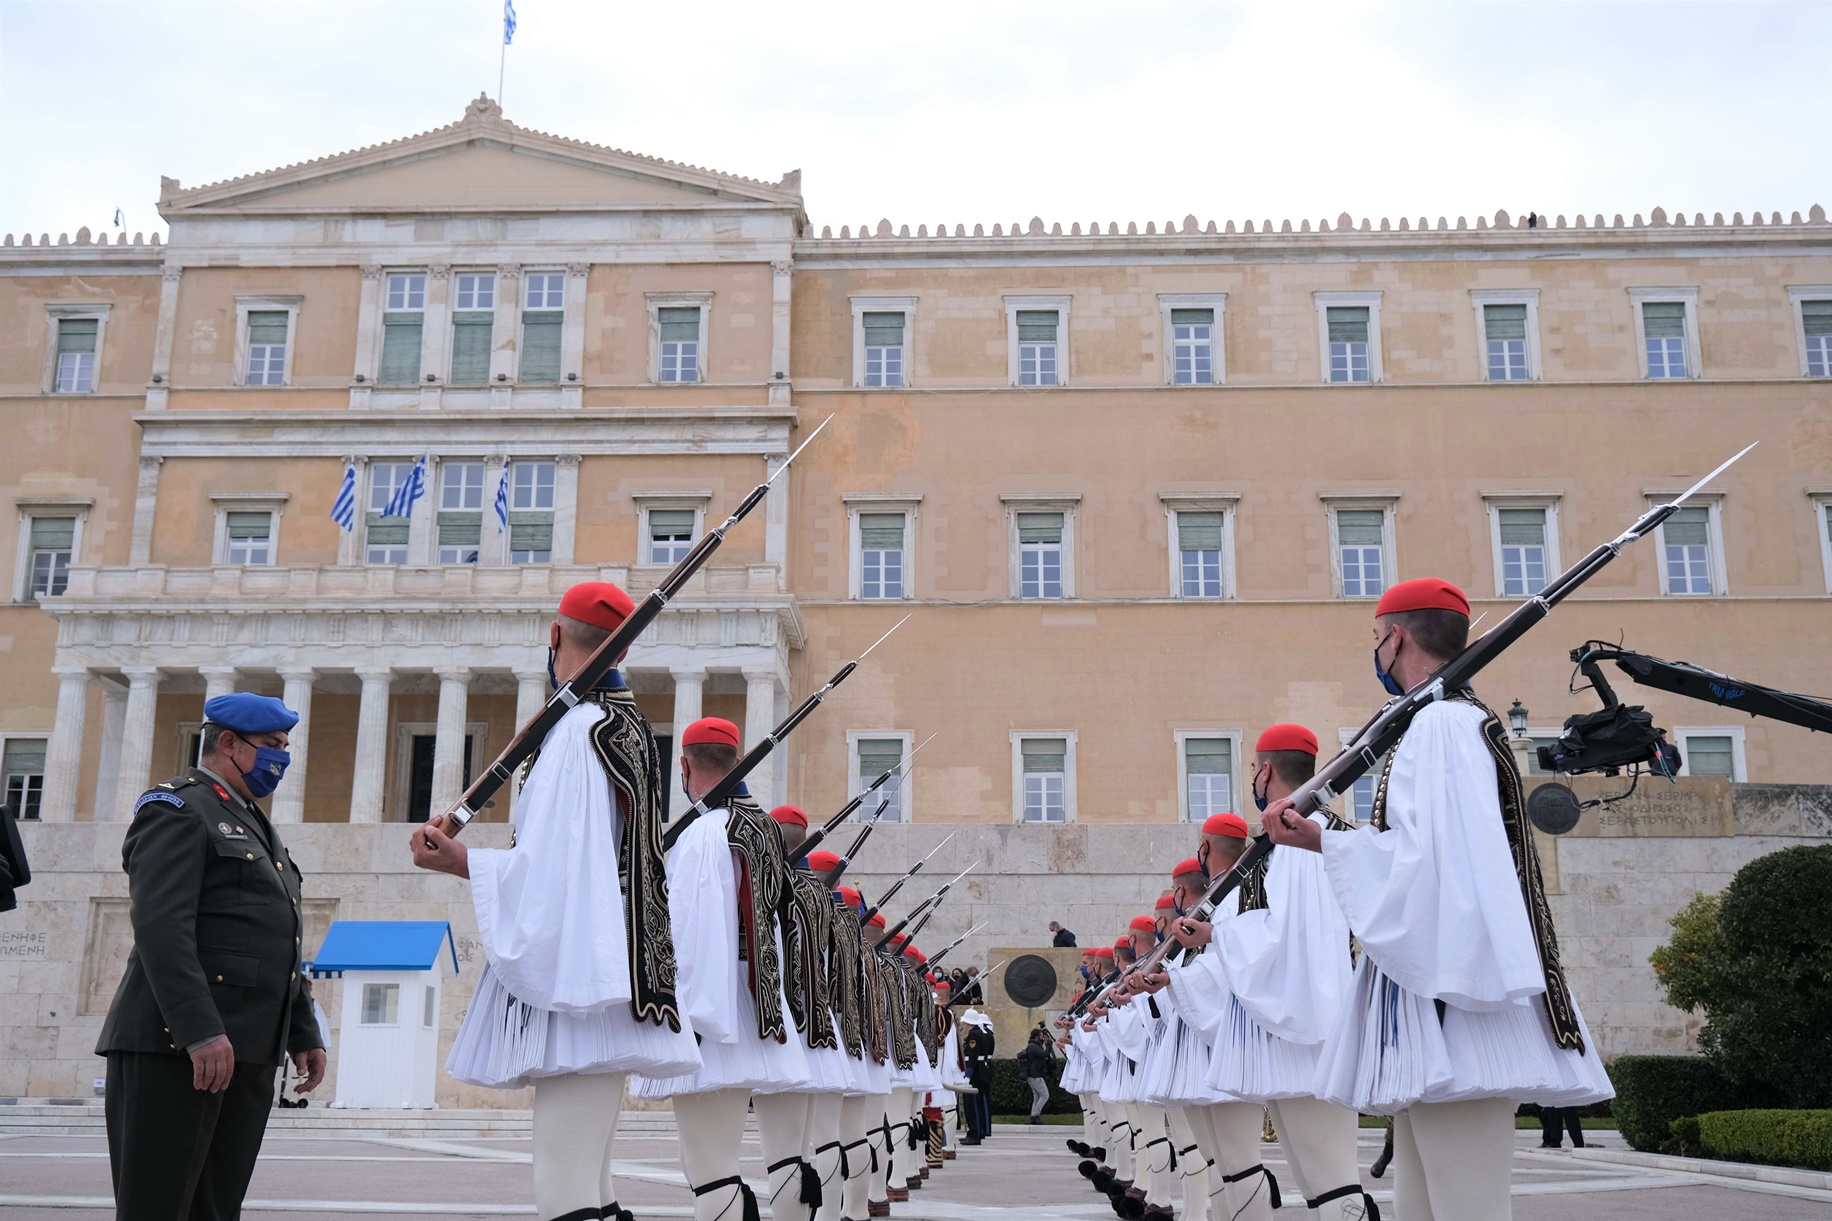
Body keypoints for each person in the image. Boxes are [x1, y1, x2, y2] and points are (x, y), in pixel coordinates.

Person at [1265, 577, 1615, 1221]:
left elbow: (1433, 867)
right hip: (1442, 999)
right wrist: (1332, 838)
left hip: (1459, 1001)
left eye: (1376, 639)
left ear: (1396, 636)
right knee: (1425, 1206)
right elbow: (1420, 851)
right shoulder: (1442, 722)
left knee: (1464, 1207)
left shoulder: (1443, 725)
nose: (1375, 653)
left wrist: (1325, 841)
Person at [413, 581, 700, 1221]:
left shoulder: (578, 732)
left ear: (554, 635)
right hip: (610, 971)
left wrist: (462, 861)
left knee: (564, 1190)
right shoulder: (625, 728)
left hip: (582, 986)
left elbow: (555, 872)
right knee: (591, 1190)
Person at [97, 691, 327, 1221]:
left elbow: (278, 938)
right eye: (272, 745)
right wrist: (198, 1030)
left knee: (215, 1210)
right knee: (158, 1208)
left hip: (245, 1051)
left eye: (286, 746)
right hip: (177, 1049)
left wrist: (302, 1032)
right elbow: (161, 929)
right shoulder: (177, 808)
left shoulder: (252, 821)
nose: (282, 758)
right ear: (228, 742)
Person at [1168, 724, 1371, 1220]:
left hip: (1311, 1027)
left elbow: (1294, 936)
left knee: (1330, 1179)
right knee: (1314, 1180)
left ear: (1265, 769)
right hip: (1296, 1032)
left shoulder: (1300, 838)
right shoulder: (1289, 840)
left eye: (1254, 769)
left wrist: (1217, 938)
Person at [632, 717, 813, 1221]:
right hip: (758, 1003)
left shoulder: (703, 835)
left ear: (684, 766)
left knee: (710, 1170)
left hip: (712, 1007)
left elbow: (689, 933)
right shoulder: (763, 831)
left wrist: (679, 1015)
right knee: (727, 1162)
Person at [958, 1005, 996, 1143]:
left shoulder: (974, 1035)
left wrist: (967, 1075)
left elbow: (973, 1057)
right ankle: (975, 1132)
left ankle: (974, 1134)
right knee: (976, 1104)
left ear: (968, 1022)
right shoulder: (981, 1033)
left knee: (973, 1105)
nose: (963, 1024)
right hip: (980, 1070)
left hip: (976, 1073)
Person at [1018, 1026, 1056, 1123]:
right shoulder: (1034, 1047)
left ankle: (1033, 1115)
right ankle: (1035, 1115)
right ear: (1037, 1036)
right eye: (1041, 1036)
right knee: (1045, 1095)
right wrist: (1049, 1044)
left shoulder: (1032, 1045)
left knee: (1038, 1096)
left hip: (1033, 1075)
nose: (1043, 1037)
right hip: (1035, 1076)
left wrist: (1046, 1043)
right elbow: (1045, 1054)